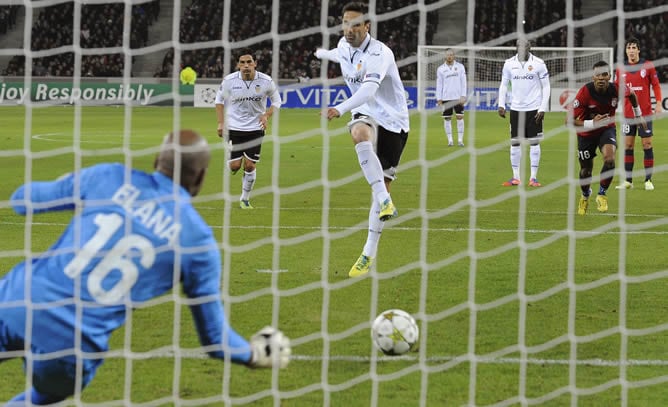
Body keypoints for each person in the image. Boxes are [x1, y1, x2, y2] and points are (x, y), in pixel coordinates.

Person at [0, 130, 290, 405]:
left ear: (156, 162)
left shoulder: (108, 177)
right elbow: (215, 340)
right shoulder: (198, 241)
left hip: (18, 298)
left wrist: (74, 184)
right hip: (72, 343)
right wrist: (253, 354)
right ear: (200, 178)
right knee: (44, 397)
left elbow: (22, 201)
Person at [315, 1, 409, 278]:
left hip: (393, 120)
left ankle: (369, 251)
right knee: (358, 132)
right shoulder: (343, 46)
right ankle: (384, 200)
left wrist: (339, 108)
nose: (350, 29)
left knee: (384, 185)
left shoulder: (381, 53)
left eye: (356, 24)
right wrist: (321, 53)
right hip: (365, 114)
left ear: (367, 26)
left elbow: (368, 91)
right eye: (346, 23)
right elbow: (337, 54)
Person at [570, 61, 646, 215]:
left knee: (610, 160)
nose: (601, 78)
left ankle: (602, 194)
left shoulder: (617, 88)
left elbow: (632, 95)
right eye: (598, 74)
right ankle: (585, 195)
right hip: (586, 133)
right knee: (585, 171)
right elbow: (569, 121)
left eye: (604, 74)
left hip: (606, 129)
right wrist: (592, 123)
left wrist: (638, 115)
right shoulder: (585, 92)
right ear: (593, 76)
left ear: (609, 76)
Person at [215, 49, 282, 209]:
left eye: (249, 62)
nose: (246, 65)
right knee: (235, 166)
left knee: (250, 166)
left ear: (255, 64)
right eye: (242, 62)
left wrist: (266, 115)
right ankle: (233, 162)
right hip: (233, 127)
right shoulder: (229, 80)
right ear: (238, 65)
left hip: (255, 128)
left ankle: (244, 199)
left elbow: (277, 101)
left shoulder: (266, 81)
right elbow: (219, 100)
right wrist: (220, 123)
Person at [497, 38, 551, 187]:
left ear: (529, 47)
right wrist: (501, 104)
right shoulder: (509, 64)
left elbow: (546, 87)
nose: (521, 48)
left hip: (534, 109)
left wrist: (542, 108)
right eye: (518, 45)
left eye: (524, 45)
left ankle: (533, 178)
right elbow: (503, 85)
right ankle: (516, 177)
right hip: (516, 109)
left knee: (534, 143)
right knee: (515, 144)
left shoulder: (539, 64)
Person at [614, 37, 663, 191]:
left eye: (634, 47)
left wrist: (659, 103)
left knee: (647, 145)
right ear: (626, 50)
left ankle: (648, 180)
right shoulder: (620, 67)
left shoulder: (648, 65)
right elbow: (616, 89)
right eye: (629, 47)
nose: (631, 50)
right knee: (628, 146)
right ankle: (628, 181)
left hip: (645, 114)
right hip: (628, 114)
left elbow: (655, 85)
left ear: (639, 50)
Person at [436, 48, 467, 147]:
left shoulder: (460, 67)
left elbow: (464, 82)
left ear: (454, 56)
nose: (449, 56)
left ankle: (460, 140)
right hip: (446, 97)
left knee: (460, 117)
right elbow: (439, 84)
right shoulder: (441, 69)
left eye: (451, 55)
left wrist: (463, 95)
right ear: (445, 56)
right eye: (447, 55)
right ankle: (450, 140)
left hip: (458, 97)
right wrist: (439, 98)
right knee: (447, 118)